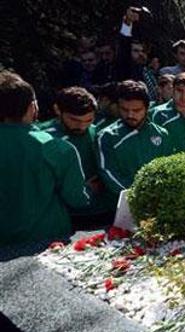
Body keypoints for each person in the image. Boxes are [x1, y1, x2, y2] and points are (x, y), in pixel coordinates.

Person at [1, 71, 90, 244]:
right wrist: (91, 190)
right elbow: (77, 200)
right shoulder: (56, 148)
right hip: (47, 240)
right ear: (32, 107)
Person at [97, 80, 172, 210]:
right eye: (124, 109)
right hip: (119, 208)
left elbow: (168, 169)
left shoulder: (162, 134)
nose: (130, 115)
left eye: (136, 110)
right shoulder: (107, 136)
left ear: (147, 108)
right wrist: (135, 195)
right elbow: (107, 172)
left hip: (157, 205)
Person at [37, 87, 108, 220]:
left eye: (89, 120)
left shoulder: (99, 132)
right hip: (62, 216)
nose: (82, 126)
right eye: (75, 120)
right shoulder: (42, 137)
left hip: (101, 211)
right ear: (58, 110)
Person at [113, 7, 158, 100]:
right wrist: (127, 23)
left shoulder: (149, 71)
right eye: (136, 51)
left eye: (143, 51)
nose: (141, 54)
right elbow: (124, 44)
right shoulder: (125, 67)